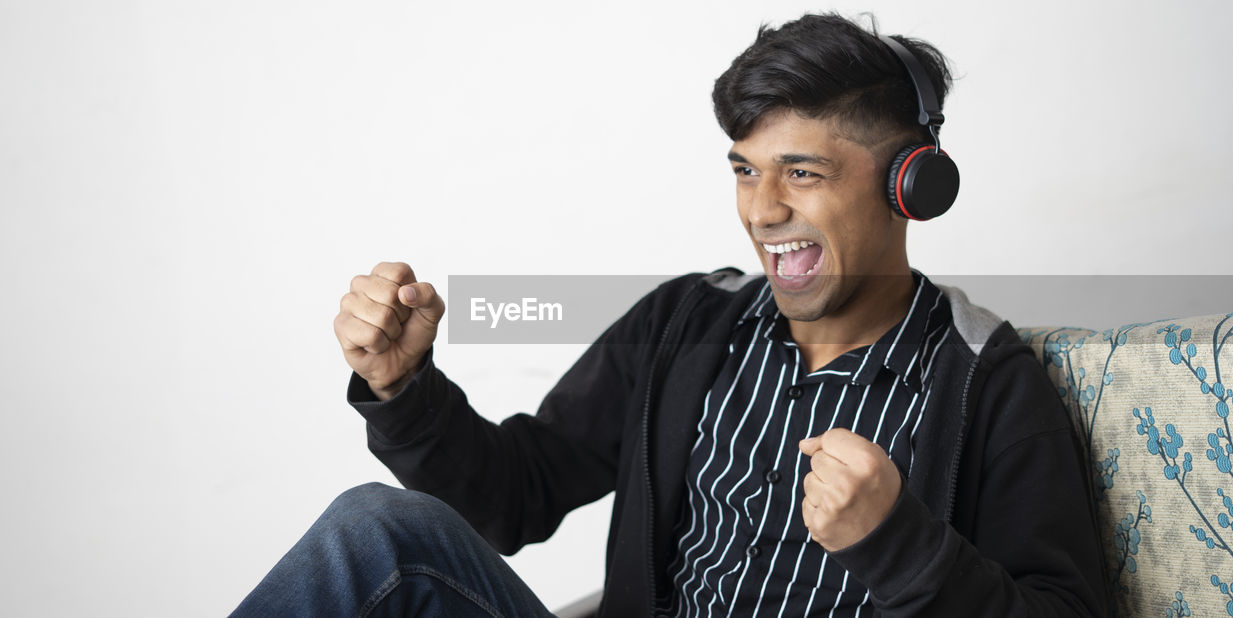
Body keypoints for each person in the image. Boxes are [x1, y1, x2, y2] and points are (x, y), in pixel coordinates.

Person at [233, 12, 1105, 617]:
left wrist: (901, 545)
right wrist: (401, 386)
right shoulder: (689, 322)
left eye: (801, 173)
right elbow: (515, 494)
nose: (761, 210)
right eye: (742, 170)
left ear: (909, 187)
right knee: (375, 528)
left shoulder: (988, 384)